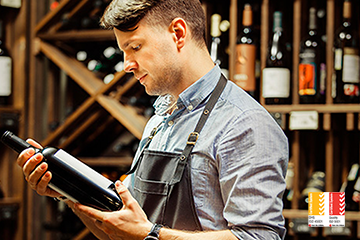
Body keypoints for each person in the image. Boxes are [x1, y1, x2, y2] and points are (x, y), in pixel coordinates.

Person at [17, 0, 289, 239]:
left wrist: (151, 235)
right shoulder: (160, 119)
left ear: (178, 33)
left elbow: (257, 236)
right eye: (123, 51)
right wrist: (70, 192)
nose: (126, 64)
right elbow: (122, 232)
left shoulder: (245, 123)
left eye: (135, 47)